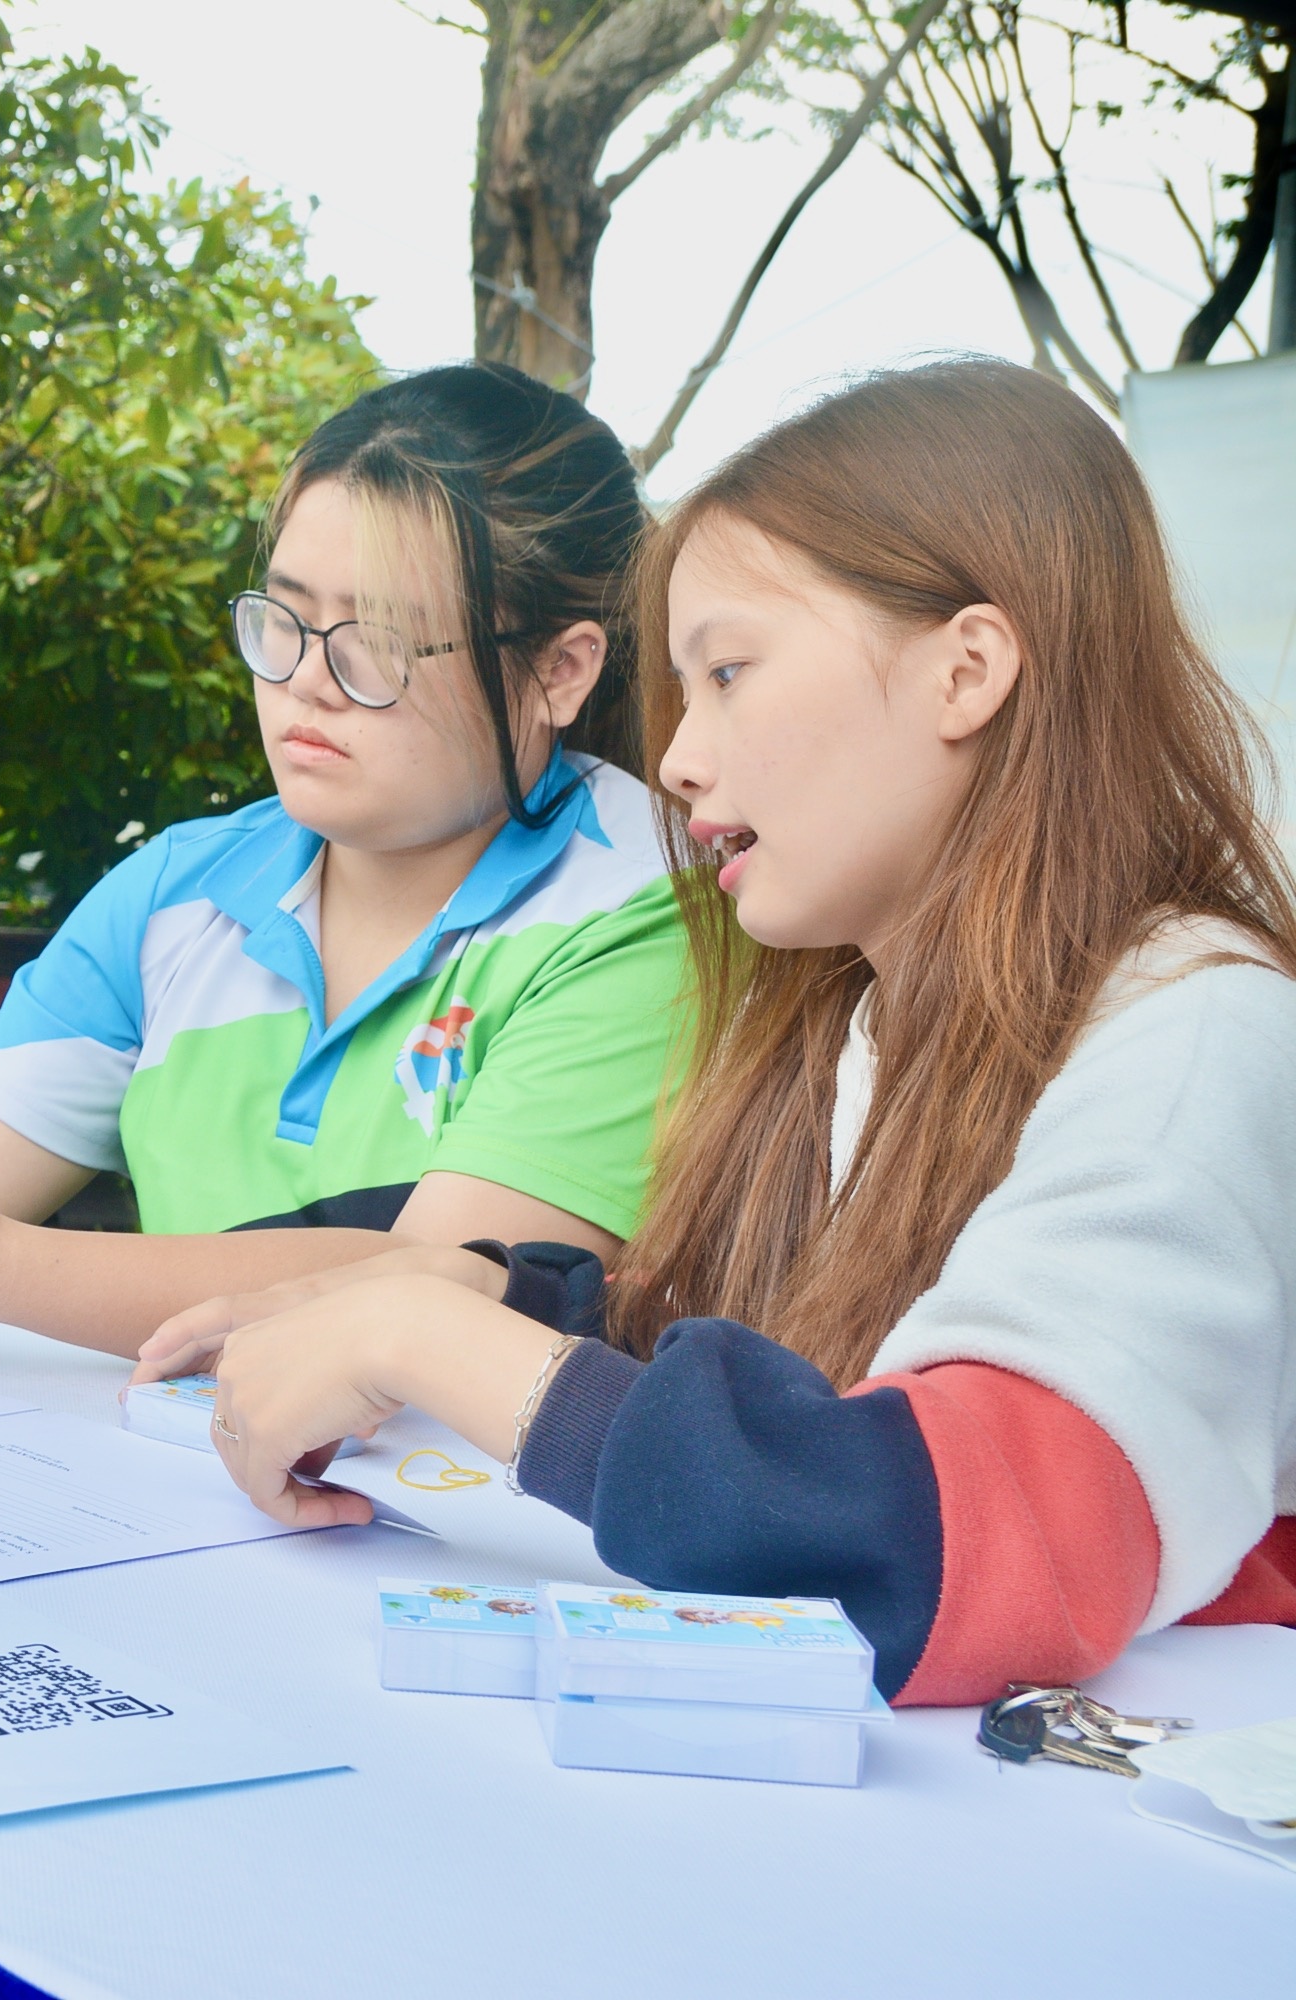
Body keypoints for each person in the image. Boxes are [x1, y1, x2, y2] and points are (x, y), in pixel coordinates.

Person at [154, 359, 1296, 1704]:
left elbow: (946, 1552)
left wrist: (424, 1337)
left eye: (732, 672)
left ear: (968, 670)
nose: (682, 758)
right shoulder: (859, 1021)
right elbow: (769, 1390)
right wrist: (503, 1295)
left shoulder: (1199, 1029)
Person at [0, 364, 687, 1352]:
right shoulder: (180, 891)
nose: (302, 677)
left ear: (559, 670)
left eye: (378, 642)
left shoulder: (640, 909)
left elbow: (446, 1295)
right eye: (282, 619)